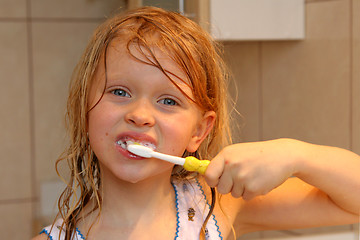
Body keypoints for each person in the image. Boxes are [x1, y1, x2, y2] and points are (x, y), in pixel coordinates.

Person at [33, 6, 359, 240]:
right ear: (85, 110)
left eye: (168, 101)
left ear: (199, 131)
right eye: (120, 91)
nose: (140, 115)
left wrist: (295, 155)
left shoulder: (216, 207)